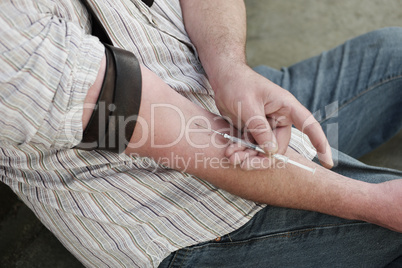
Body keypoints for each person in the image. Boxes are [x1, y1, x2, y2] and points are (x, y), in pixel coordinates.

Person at [0, 0, 401, 267]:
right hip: (174, 214)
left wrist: (229, 67)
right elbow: (192, 143)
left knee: (395, 53)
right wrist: (371, 200)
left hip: (213, 90)